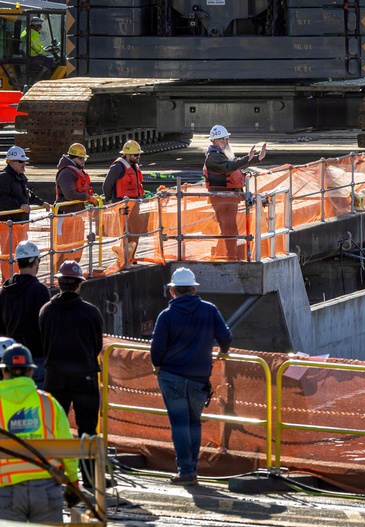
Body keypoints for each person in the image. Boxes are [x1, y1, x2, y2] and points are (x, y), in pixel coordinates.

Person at [151, 267, 232, 486]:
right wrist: (223, 352)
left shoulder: (166, 316)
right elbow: (226, 336)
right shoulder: (209, 310)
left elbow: (157, 350)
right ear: (194, 290)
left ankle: (185, 471)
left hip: (171, 377)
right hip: (198, 379)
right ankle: (192, 469)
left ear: (172, 292)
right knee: (194, 423)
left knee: (179, 424)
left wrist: (157, 366)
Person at [38, 260, 103, 488]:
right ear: (78, 285)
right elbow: (96, 345)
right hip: (85, 377)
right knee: (87, 429)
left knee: (53, 429)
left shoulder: (46, 311)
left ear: (59, 283)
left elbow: (43, 342)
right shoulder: (90, 312)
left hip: (55, 377)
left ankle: (53, 475)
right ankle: (90, 478)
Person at [0, 342, 80, 523]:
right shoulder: (49, 404)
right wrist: (73, 481)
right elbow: (67, 447)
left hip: (6, 492)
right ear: (31, 372)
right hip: (46, 489)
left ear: (4, 372)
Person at [203, 125, 265, 261]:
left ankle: (229, 254)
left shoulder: (221, 155)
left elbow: (235, 164)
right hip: (222, 199)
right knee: (229, 227)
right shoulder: (214, 158)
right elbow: (230, 166)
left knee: (229, 227)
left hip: (229, 198)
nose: (226, 142)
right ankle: (230, 256)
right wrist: (248, 158)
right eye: (222, 139)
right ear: (214, 141)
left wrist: (256, 159)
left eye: (227, 139)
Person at [0, 241, 50, 387]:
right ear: (35, 261)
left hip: (9, 358)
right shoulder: (39, 290)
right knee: (36, 405)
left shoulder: (5, 291)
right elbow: (46, 325)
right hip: (36, 360)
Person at [0, 146, 48, 278]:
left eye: (24, 161)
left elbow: (27, 194)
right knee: (8, 253)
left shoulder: (19, 177)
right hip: (8, 224)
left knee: (19, 253)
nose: (24, 164)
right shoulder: (4, 178)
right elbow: (1, 198)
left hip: (20, 223)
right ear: (11, 162)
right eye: (21, 162)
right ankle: (7, 279)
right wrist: (19, 205)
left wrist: (41, 202)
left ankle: (17, 276)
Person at [54, 143, 98, 269]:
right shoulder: (66, 173)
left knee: (76, 247)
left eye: (84, 158)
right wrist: (88, 198)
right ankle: (59, 274)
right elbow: (69, 194)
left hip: (77, 215)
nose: (84, 161)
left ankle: (73, 270)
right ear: (73, 159)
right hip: (65, 216)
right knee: (64, 248)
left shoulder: (77, 170)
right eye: (81, 158)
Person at [103, 140, 145, 266]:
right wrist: (109, 200)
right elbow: (107, 185)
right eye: (135, 155)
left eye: (138, 155)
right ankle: (124, 258)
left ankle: (130, 256)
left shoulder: (134, 167)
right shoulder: (118, 167)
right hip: (122, 205)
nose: (138, 157)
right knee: (125, 231)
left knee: (135, 231)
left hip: (134, 204)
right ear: (127, 155)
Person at [20, 17, 54, 82]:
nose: (40, 27)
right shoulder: (33, 33)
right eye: (40, 25)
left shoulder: (25, 31)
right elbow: (37, 48)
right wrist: (44, 53)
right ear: (35, 26)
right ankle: (38, 78)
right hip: (32, 57)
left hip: (27, 55)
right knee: (50, 60)